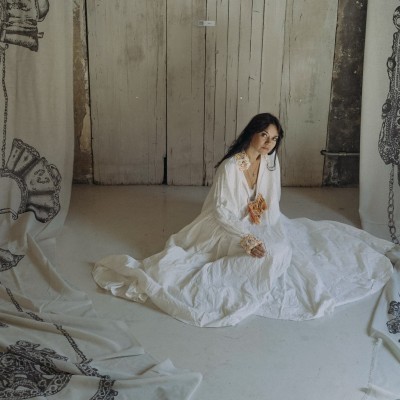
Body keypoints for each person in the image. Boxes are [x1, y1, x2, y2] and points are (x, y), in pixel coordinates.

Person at [93, 113, 398, 327]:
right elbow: (222, 211)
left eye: (274, 138)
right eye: (264, 134)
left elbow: (271, 202)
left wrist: (266, 226)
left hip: (258, 219)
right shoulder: (230, 167)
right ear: (252, 133)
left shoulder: (270, 161)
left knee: (286, 247)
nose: (268, 142)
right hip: (223, 225)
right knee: (263, 255)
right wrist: (247, 237)